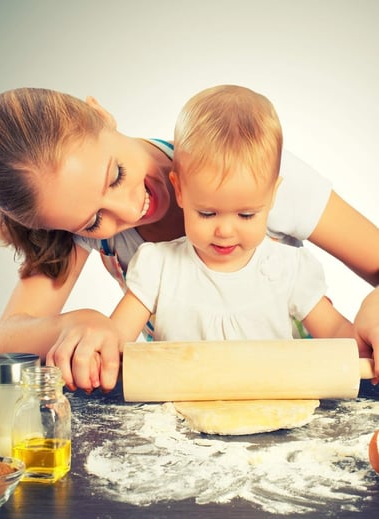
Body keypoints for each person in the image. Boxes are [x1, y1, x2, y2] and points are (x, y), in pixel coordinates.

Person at [0, 87, 379, 393]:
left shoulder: (250, 169)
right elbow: (4, 339)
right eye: (95, 220)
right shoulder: (101, 238)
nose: (129, 210)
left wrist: (375, 304)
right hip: (187, 400)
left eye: (116, 175)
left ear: (102, 114)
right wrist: (87, 323)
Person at [110, 85, 354, 345]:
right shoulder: (158, 267)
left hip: (275, 387)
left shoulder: (288, 269)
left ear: (272, 196)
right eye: (207, 213)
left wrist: (365, 345)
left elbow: (339, 333)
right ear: (180, 190)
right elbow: (115, 339)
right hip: (183, 387)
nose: (225, 231)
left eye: (246, 215)